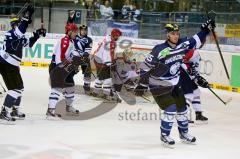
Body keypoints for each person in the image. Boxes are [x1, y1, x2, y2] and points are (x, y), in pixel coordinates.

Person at [135, 20, 215, 146]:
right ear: (167, 35)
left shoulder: (183, 44)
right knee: (171, 108)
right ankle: (165, 135)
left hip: (175, 84)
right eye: (173, 33)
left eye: (177, 33)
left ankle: (184, 134)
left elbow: (197, 39)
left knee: (182, 109)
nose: (176, 36)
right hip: (158, 85)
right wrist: (142, 84)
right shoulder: (159, 50)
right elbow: (145, 67)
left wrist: (206, 29)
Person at [0, 6, 46, 122]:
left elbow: (28, 44)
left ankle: (14, 110)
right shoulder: (12, 34)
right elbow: (21, 30)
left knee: (19, 88)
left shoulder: (18, 35)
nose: (22, 25)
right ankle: (5, 112)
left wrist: (37, 35)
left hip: (11, 64)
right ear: (16, 24)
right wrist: (27, 16)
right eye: (20, 23)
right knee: (16, 89)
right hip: (7, 64)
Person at [47, 23, 81, 118]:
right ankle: (50, 110)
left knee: (70, 87)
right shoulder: (65, 41)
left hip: (64, 67)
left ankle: (69, 107)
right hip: (58, 67)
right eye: (74, 32)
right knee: (57, 88)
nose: (76, 33)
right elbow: (60, 57)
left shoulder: (71, 41)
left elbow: (70, 56)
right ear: (69, 32)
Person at [92, 28, 122, 102]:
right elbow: (107, 54)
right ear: (114, 35)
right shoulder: (111, 42)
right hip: (102, 61)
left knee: (100, 77)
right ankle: (106, 94)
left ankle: (95, 92)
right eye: (117, 36)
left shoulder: (106, 38)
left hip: (97, 59)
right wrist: (110, 63)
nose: (118, 38)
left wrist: (112, 61)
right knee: (108, 78)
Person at [181, 49, 208, 123]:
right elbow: (181, 60)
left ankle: (198, 114)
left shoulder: (196, 52)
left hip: (189, 76)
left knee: (196, 92)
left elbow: (194, 67)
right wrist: (188, 68)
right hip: (184, 76)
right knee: (189, 95)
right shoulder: (192, 51)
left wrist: (198, 79)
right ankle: (182, 116)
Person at [74, 24, 93, 95]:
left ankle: (87, 88)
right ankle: (66, 86)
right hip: (75, 58)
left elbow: (88, 50)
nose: (84, 31)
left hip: (84, 59)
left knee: (87, 73)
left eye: (85, 30)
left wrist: (84, 55)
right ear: (79, 31)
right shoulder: (74, 37)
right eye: (82, 30)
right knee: (70, 72)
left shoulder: (89, 40)